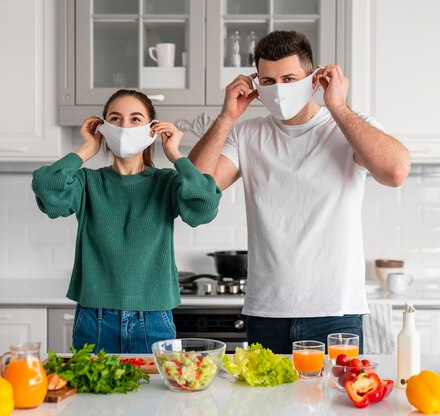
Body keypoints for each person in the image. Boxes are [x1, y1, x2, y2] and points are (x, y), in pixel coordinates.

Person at [188, 31, 411, 354]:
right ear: (256, 84)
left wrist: (339, 107)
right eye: (268, 81)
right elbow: (195, 189)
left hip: (336, 313)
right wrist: (226, 117)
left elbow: (395, 172)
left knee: (333, 405)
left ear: (313, 78)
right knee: (268, 405)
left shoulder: (348, 127)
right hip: (266, 312)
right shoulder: (248, 134)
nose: (278, 90)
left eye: (289, 78)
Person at [32, 90, 222, 354]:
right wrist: (87, 148)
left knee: (157, 396)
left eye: (135, 119)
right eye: (116, 119)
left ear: (151, 129)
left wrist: (176, 155)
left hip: (154, 318)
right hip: (94, 318)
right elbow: (46, 186)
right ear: (104, 128)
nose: (124, 127)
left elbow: (205, 205)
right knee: (91, 395)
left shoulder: (167, 183)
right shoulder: (87, 183)